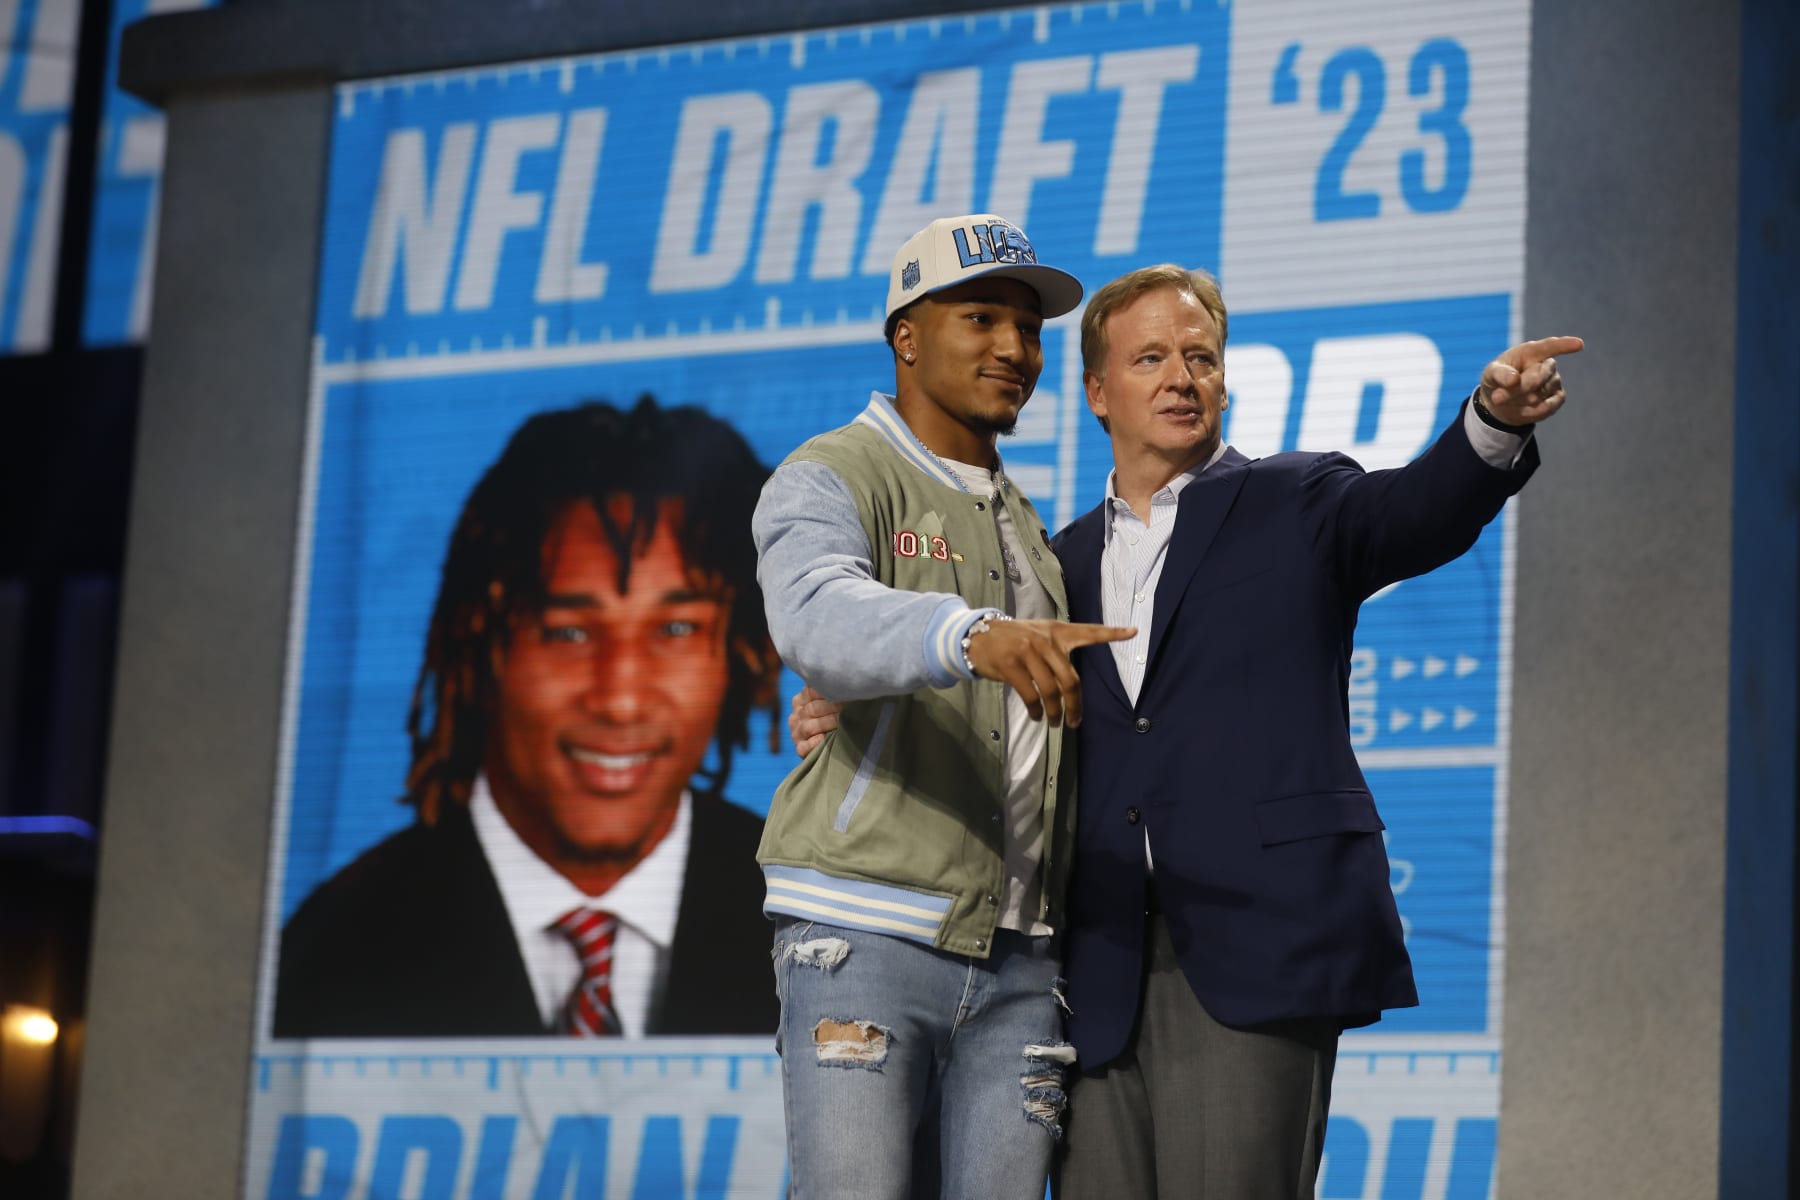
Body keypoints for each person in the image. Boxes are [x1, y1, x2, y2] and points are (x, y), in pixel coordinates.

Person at [793, 264, 1580, 1198]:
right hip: (1095, 968)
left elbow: (1419, 510)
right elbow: (982, 681)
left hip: (1257, 945)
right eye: (1152, 357)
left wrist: (1491, 423)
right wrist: (855, 704)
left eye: (1201, 357)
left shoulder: (1303, 501)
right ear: (1097, 391)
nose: (1181, 377)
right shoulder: (1055, 564)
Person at [751, 214, 1133, 1199]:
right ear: (906, 336)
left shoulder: (1028, 526)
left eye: (1029, 327)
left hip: (1018, 962)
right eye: (980, 317)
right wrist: (966, 634)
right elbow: (814, 612)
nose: (1014, 348)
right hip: (867, 937)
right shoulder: (834, 470)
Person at [273, 396, 784, 1039]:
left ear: (740, 652)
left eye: (676, 629)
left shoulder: (820, 921)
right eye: (568, 633)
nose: (621, 698)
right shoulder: (329, 955)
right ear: (485, 644)